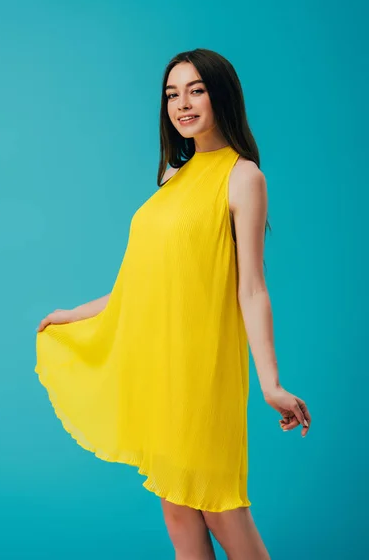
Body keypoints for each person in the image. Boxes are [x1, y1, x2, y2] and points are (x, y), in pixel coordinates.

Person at [36, 48, 311, 560]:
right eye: (172, 94)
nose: (181, 104)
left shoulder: (243, 177)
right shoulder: (170, 178)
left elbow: (251, 287)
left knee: (222, 511)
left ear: (221, 94)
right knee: (178, 512)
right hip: (160, 369)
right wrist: (73, 314)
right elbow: (145, 283)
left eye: (196, 90)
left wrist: (270, 382)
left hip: (202, 373)